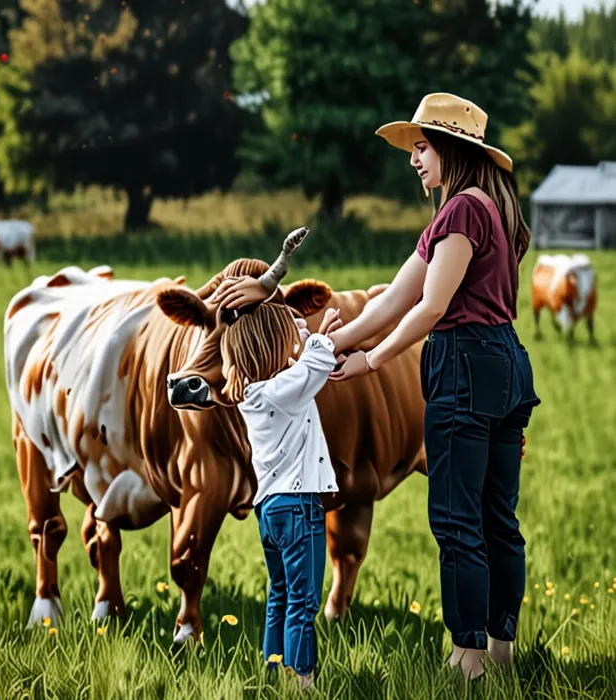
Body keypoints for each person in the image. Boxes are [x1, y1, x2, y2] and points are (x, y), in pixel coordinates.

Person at [214, 92, 541, 681]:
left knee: (457, 519)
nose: (414, 160)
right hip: (507, 364)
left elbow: (430, 307)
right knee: (498, 517)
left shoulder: (461, 211)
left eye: (420, 148)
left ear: (450, 148)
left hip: (464, 366)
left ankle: (468, 658)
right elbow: (391, 300)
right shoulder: (489, 209)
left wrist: (372, 361)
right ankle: (500, 650)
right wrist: (327, 343)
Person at [218, 298, 342, 689]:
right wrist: (320, 338)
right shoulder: (280, 391)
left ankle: (273, 673)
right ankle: (301, 682)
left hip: (270, 510)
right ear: (271, 347)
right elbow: (315, 368)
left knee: (279, 598)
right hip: (299, 505)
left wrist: (308, 339)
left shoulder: (255, 395)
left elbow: (303, 369)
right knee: (303, 603)